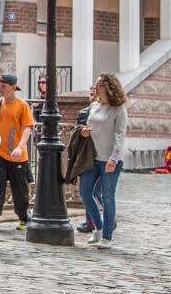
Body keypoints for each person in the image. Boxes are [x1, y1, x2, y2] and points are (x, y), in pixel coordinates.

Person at [79, 72, 129, 249]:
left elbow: (120, 135)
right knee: (85, 191)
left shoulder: (119, 109)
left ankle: (107, 236)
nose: (96, 87)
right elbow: (91, 126)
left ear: (109, 87)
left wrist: (113, 158)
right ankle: (98, 227)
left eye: (99, 84)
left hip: (110, 159)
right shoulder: (94, 107)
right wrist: (85, 131)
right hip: (92, 158)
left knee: (108, 197)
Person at [0, 73, 34, 232]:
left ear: (13, 88)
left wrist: (20, 147)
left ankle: (23, 217)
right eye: (0, 85)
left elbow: (27, 128)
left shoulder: (22, 105)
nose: (0, 88)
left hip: (17, 155)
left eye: (3, 86)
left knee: (19, 189)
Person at [74, 84, 99, 234]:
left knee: (99, 192)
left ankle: (105, 220)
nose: (92, 98)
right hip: (87, 155)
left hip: (101, 155)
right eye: (91, 95)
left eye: (94, 95)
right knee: (88, 191)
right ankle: (91, 221)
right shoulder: (85, 113)